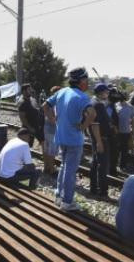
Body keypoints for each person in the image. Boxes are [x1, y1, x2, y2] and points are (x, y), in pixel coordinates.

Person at [43, 67, 95, 211]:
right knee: (70, 171)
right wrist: (83, 126)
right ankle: (67, 202)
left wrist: (53, 120)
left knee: (63, 167)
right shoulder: (82, 97)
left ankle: (59, 196)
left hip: (61, 136)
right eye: (86, 80)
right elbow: (92, 113)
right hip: (74, 139)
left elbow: (45, 106)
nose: (88, 83)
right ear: (81, 81)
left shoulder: (61, 92)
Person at [89, 83, 113, 197]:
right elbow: (95, 124)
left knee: (95, 162)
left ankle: (93, 187)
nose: (108, 94)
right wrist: (99, 142)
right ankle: (102, 191)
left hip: (96, 137)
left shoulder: (92, 102)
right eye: (107, 92)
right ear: (101, 92)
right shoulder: (98, 105)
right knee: (102, 165)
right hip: (100, 138)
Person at [17, 84, 44, 150]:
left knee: (44, 142)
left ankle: (46, 158)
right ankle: (25, 159)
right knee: (26, 146)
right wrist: (30, 128)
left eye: (30, 89)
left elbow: (37, 109)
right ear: (23, 91)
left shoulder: (32, 99)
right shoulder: (22, 102)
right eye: (29, 89)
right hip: (29, 128)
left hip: (37, 126)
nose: (31, 91)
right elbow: (22, 117)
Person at [42, 85, 60, 175]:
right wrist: (54, 120)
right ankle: (52, 170)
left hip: (47, 128)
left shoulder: (49, 101)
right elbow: (53, 116)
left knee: (46, 149)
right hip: (52, 129)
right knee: (51, 151)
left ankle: (46, 167)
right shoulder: (55, 102)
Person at [115, 93, 134, 171]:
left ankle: (122, 165)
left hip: (125, 132)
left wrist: (133, 132)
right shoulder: (116, 105)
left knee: (124, 150)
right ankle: (118, 164)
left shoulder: (131, 107)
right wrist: (133, 132)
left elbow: (133, 121)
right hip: (117, 132)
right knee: (118, 149)